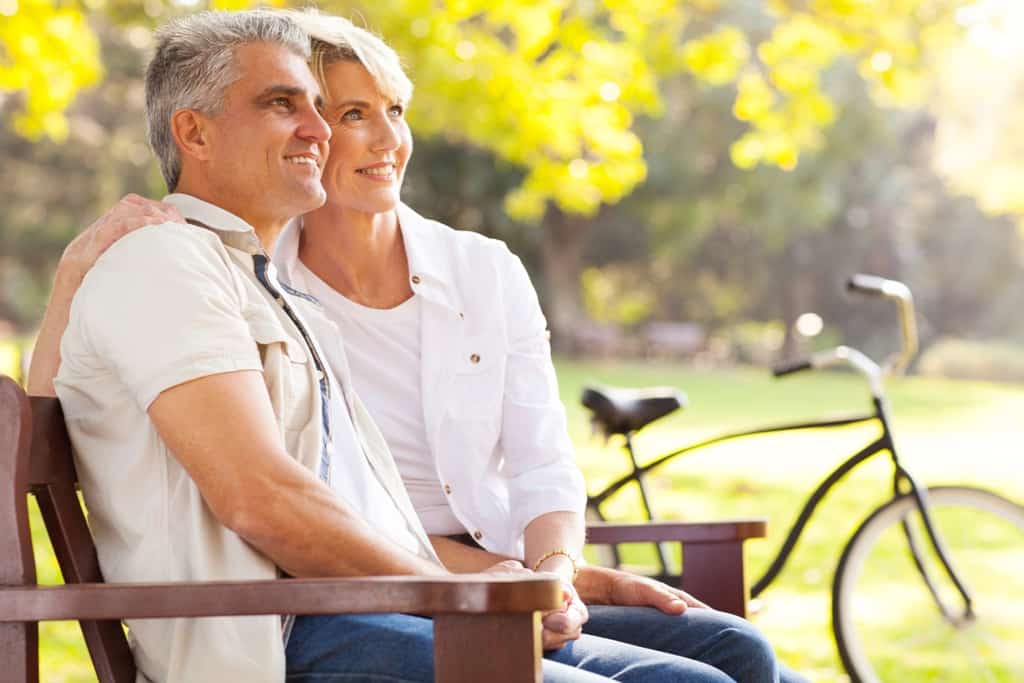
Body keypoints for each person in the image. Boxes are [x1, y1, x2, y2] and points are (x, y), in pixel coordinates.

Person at [30, 8, 805, 683]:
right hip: (283, 632)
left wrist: (530, 578)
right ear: (193, 131)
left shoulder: (270, 286)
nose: (319, 129)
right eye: (282, 104)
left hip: (360, 602)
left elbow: (364, 511)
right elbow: (262, 498)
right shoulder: (170, 261)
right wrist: (469, 597)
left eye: (321, 106)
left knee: (727, 657)